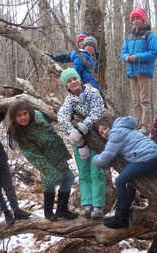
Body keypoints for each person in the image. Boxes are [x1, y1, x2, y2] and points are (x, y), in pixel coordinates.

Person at [7, 99, 79, 221]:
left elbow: (51, 114)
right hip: (44, 161)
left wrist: (54, 103)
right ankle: (48, 211)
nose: (23, 117)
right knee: (50, 183)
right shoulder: (21, 134)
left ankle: (61, 209)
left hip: (58, 154)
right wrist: (49, 171)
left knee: (69, 177)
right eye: (19, 115)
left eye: (25, 113)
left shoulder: (38, 116)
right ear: (14, 118)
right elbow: (33, 155)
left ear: (29, 112)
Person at [93, 116, 157, 228]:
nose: (105, 133)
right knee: (131, 183)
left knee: (119, 181)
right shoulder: (123, 128)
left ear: (110, 125)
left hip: (146, 158)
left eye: (105, 128)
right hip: (154, 156)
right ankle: (125, 210)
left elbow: (106, 156)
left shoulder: (116, 133)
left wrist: (95, 159)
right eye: (101, 133)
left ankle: (121, 218)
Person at [57, 68, 106, 219]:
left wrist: (83, 127)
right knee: (84, 173)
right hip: (80, 142)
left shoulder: (92, 93)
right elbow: (62, 116)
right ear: (66, 86)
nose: (73, 82)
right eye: (69, 81)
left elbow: (97, 111)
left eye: (74, 79)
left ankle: (98, 205)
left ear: (80, 80)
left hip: (96, 137)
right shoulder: (69, 100)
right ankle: (87, 204)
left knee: (96, 171)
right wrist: (74, 134)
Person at [121, 8, 157, 135]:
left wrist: (137, 57)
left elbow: (154, 53)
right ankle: (136, 124)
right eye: (133, 19)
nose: (135, 21)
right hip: (132, 72)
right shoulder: (129, 37)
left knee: (144, 100)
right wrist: (125, 57)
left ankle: (146, 126)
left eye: (138, 18)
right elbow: (123, 51)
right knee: (135, 100)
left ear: (143, 19)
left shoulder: (149, 35)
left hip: (144, 72)